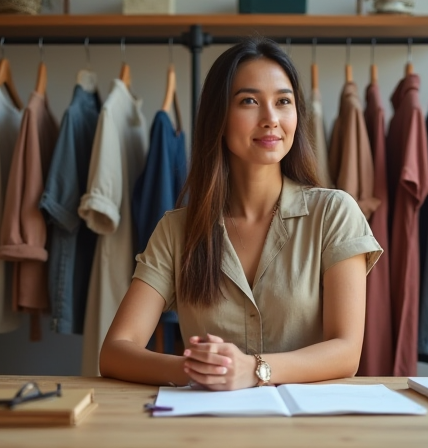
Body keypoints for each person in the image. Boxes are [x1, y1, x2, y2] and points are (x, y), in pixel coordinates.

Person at [99, 37, 382, 390]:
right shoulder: (177, 230)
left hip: (308, 430)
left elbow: (346, 353)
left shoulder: (334, 214)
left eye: (283, 102)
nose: (270, 119)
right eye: (249, 101)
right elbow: (114, 351)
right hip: (208, 432)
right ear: (219, 116)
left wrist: (254, 369)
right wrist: (201, 370)